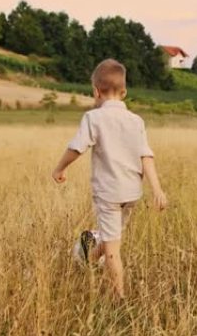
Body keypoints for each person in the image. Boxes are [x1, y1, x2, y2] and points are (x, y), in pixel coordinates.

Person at [52, 58, 167, 300]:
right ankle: (85, 260)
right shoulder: (136, 121)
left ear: (96, 91)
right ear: (124, 92)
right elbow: (146, 155)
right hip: (132, 193)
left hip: (108, 194)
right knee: (112, 236)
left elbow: (77, 147)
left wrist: (60, 168)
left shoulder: (93, 118)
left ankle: (119, 299)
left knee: (112, 251)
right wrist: (157, 189)